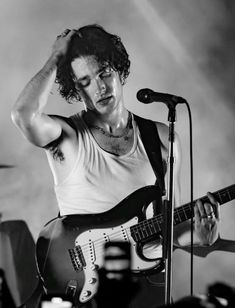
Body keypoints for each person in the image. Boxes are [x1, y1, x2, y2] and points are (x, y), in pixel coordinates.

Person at [11, 24, 220, 308]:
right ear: (75, 89)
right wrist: (56, 58)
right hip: (88, 287)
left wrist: (200, 235)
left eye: (104, 73)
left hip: (147, 286)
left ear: (119, 71)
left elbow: (171, 227)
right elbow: (23, 115)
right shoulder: (68, 136)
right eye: (84, 81)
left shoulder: (163, 138)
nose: (99, 87)